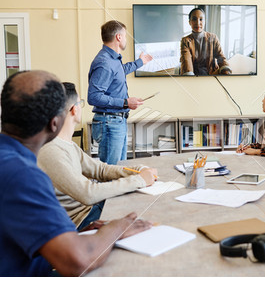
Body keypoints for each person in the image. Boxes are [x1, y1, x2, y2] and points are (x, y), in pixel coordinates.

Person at [0, 70, 152, 277]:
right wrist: (117, 228)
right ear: (55, 123)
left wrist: (77, 234)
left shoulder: (10, 161)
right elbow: (78, 261)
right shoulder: (22, 175)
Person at [38, 82, 158, 230]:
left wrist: (137, 170)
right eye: (80, 103)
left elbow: (100, 170)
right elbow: (88, 193)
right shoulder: (51, 150)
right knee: (141, 209)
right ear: (74, 109)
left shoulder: (66, 144)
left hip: (89, 209)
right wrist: (138, 180)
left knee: (138, 202)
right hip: (81, 220)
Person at [88, 20, 153, 165]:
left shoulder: (112, 60)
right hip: (110, 123)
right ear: (118, 37)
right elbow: (93, 97)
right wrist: (125, 102)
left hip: (117, 121)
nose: (125, 39)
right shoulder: (105, 62)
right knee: (111, 172)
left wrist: (140, 62)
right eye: (124, 36)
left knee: (120, 169)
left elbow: (120, 71)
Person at [180, 8, 232, 76]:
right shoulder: (185, 41)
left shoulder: (213, 38)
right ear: (189, 22)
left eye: (201, 19)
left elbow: (220, 56)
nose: (198, 23)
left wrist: (225, 69)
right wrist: (190, 78)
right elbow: (186, 61)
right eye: (194, 19)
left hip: (211, 75)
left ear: (205, 21)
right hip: (194, 76)